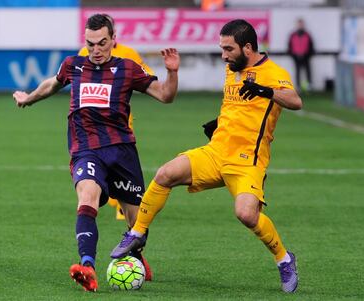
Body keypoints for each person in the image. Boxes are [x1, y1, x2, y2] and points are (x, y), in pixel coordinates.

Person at [111, 19, 302, 293]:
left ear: (247, 47)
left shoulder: (273, 72)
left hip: (247, 161)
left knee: (246, 215)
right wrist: (219, 123)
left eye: (228, 49)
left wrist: (267, 91)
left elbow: (295, 101)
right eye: (222, 49)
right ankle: (136, 233)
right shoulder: (231, 69)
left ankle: (284, 259)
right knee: (165, 174)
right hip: (216, 151)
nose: (224, 55)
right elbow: (237, 107)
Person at [13, 14, 180, 292]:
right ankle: (87, 266)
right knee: (87, 196)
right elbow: (52, 84)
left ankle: (135, 255)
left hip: (122, 151)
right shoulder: (73, 65)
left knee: (137, 220)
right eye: (91, 44)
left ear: (114, 40)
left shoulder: (128, 69)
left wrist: (172, 73)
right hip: (86, 149)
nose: (96, 50)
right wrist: (28, 98)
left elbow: (165, 96)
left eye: (102, 43)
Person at [78, 14, 155, 221]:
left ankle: (124, 209)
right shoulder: (83, 54)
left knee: (121, 170)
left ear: (112, 35)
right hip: (93, 127)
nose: (96, 48)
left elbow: (146, 75)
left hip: (120, 124)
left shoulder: (129, 54)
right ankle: (107, 201)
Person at [287, 18, 314, 92]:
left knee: (308, 71)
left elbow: (311, 46)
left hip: (306, 56)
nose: (300, 25)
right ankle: (298, 86)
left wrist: (308, 55)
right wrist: (294, 55)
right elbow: (290, 46)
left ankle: (309, 86)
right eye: (299, 24)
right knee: (297, 71)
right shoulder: (292, 35)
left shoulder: (307, 34)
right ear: (297, 25)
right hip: (296, 57)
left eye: (301, 24)